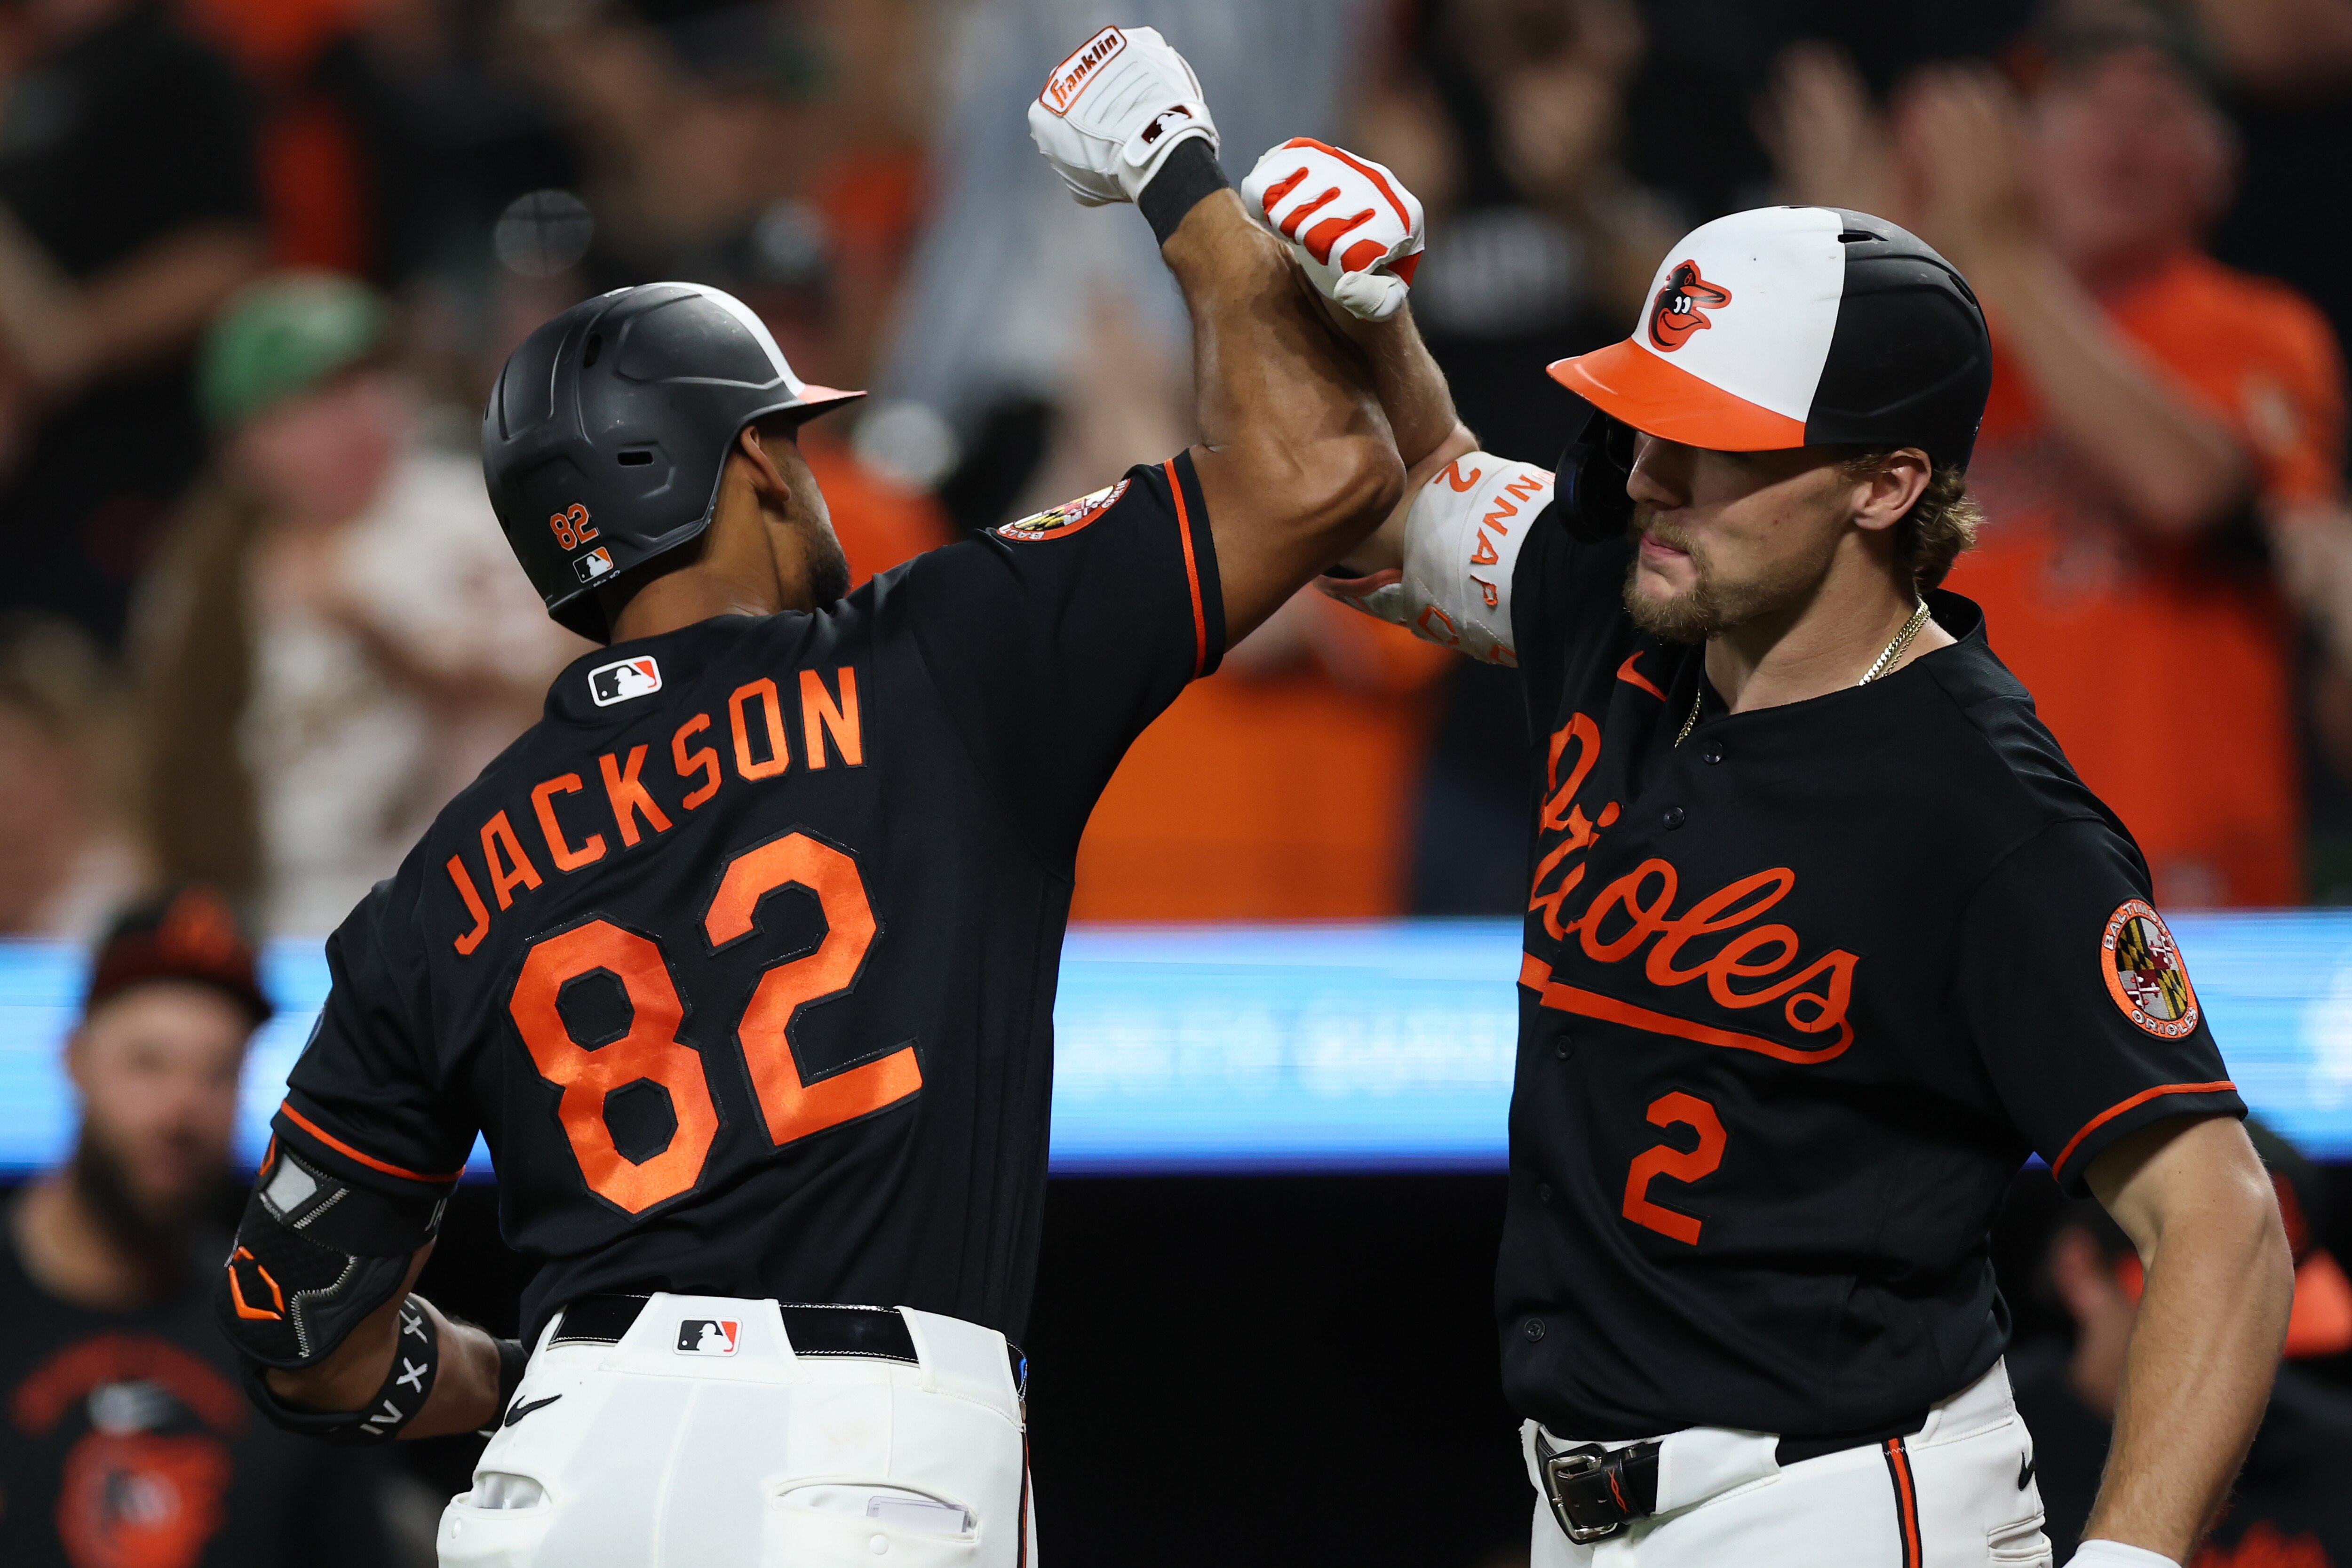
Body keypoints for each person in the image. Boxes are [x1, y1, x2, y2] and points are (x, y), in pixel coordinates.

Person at [209, 26, 1439, 1566]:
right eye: (787, 432)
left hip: (563, 1466)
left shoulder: (443, 878)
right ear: (753, 471)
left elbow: (296, 1323)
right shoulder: (939, 656)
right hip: (867, 1455)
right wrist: (1176, 172)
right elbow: (1325, 467)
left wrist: (526, 1382)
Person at [1271, 143, 2294, 1563]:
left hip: (1830, 1501)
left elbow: (2221, 1224)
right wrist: (1331, 295)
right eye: (1643, 421)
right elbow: (1357, 496)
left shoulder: (1990, 817)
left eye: (1713, 441)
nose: (1648, 473)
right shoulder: (1621, 606)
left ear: (1884, 486)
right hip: (1574, 1508)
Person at [1765, 9, 2349, 906]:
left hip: (2181, 876)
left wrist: (2001, 252)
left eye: (2158, 110)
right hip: (1938, 862)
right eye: (2083, 103)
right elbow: (1779, 503)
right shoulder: (1935, 334)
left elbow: (2184, 486)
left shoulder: (2256, 328)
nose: (2121, 135)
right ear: (2017, 148)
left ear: (2218, 166)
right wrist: (1849, 263)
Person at [134, 271, 583, 935]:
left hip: (477, 895)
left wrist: (382, 633)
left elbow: (569, 680)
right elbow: (172, 763)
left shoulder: (473, 512)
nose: (361, 411)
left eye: (370, 380)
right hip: (293, 910)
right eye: (318, 397)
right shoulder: (207, 569)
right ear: (245, 442)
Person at [0, 885, 393, 1568]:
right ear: (73, 1060)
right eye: (149, 1063)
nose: (182, 1111)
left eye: (217, 1073)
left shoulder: (287, 1337)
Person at [0, 0, 265, 649]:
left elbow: (226, 257)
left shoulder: (173, 64)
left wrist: (61, 347)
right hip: (32, 487)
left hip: (129, 474)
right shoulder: (39, 66)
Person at [2010, 1121, 2352, 1565]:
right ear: (2083, 1272)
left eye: (2267, 1314)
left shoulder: (2337, 1456)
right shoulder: (1983, 1446)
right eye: (2210, 1308)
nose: (2241, 1341)